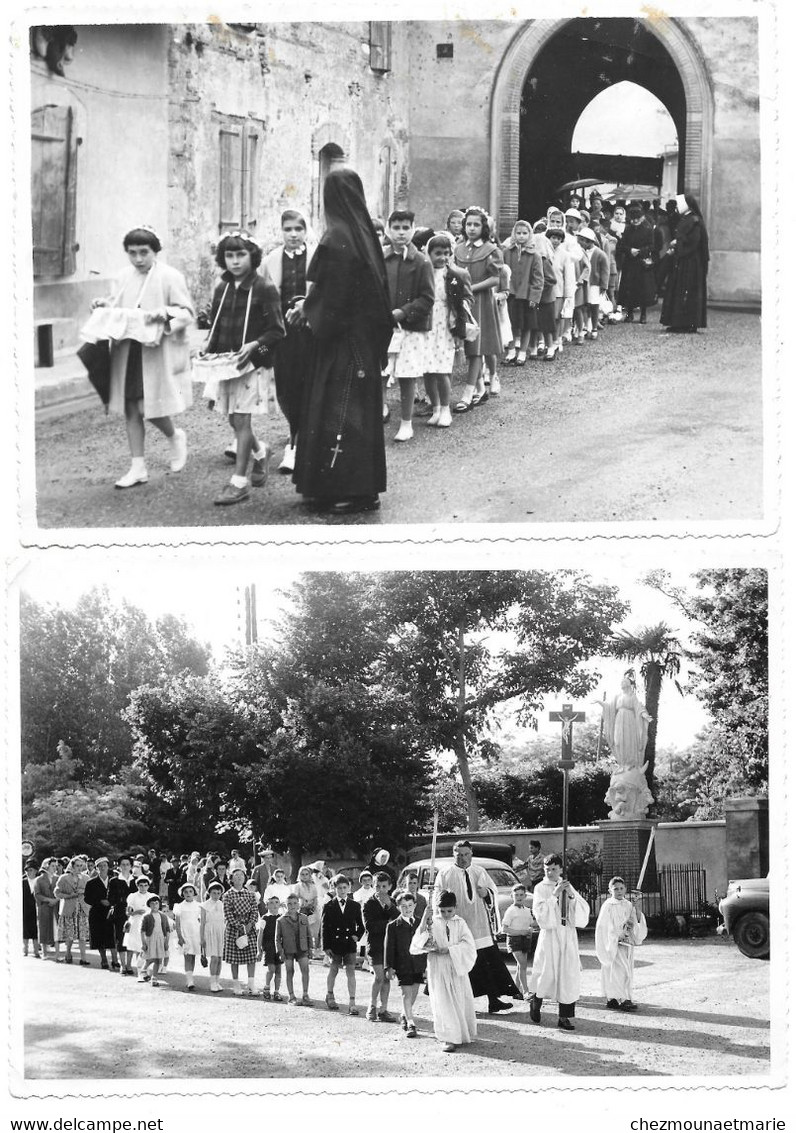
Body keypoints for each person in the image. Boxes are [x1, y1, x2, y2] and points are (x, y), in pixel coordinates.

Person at [291, 166, 393, 516]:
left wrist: (308, 310)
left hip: (342, 344)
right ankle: (330, 487)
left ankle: (355, 491)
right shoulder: (363, 234)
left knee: (341, 414)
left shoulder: (336, 236)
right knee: (351, 414)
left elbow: (334, 298)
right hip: (360, 341)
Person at [88, 225, 193, 489]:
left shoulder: (170, 276)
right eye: (132, 253)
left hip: (155, 350)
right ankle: (138, 467)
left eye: (143, 252)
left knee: (150, 407)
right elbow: (117, 304)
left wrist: (166, 313)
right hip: (127, 349)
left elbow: (186, 312)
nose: (138, 259)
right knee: (130, 408)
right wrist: (103, 305)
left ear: (154, 251)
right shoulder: (124, 276)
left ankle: (175, 435)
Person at [196, 231, 284, 506]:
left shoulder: (264, 288)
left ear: (252, 256)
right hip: (225, 363)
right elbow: (217, 326)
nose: (234, 261)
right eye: (229, 256)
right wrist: (207, 348)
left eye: (240, 255)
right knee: (233, 419)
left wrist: (255, 345)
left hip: (251, 364)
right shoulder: (222, 288)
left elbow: (278, 331)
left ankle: (239, 482)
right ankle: (260, 452)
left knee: (242, 420)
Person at [433, 840, 519, 1012]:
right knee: (462, 963)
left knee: (488, 962)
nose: (463, 858)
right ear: (454, 855)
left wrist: (486, 893)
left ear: (471, 853)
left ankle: (493, 1000)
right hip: (457, 925)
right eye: (459, 855)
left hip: (479, 925)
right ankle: (461, 1003)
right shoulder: (445, 873)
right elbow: (437, 900)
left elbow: (493, 893)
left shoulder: (479, 871)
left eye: (466, 854)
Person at [263, 209, 317, 474]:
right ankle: (294, 433)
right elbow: (262, 295)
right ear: (281, 231)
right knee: (286, 387)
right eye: (288, 229)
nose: (293, 235)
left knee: (307, 386)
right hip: (283, 334)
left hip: (310, 334)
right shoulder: (271, 259)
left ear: (306, 231)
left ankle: (296, 445)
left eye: (298, 229)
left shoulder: (316, 257)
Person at [382, 209, 436, 443]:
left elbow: (427, 298)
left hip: (410, 328)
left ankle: (406, 423)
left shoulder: (422, 261)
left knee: (406, 375)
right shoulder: (382, 258)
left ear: (413, 229)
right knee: (380, 373)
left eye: (405, 228)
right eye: (396, 228)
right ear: (388, 230)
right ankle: (380, 409)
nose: (401, 233)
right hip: (384, 327)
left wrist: (403, 312)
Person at [410, 890, 477, 1052]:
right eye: (442, 911)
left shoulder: (460, 923)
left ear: (456, 908)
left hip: (455, 966)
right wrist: (425, 919)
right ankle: (448, 1037)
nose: (446, 914)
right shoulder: (432, 921)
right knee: (443, 1001)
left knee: (458, 999)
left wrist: (449, 950)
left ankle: (461, 1033)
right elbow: (417, 942)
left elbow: (469, 945)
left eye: (450, 911)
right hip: (438, 967)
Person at [529, 853, 590, 1031]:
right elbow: (539, 912)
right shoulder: (540, 888)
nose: (550, 872)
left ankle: (564, 1016)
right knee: (546, 972)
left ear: (561, 869)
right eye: (547, 869)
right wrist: (554, 895)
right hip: (550, 935)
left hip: (567, 934)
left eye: (554, 869)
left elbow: (582, 911)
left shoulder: (567, 885)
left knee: (568, 974)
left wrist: (570, 895)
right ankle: (536, 1000)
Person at [452, 206, 502, 412]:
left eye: (476, 225)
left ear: (484, 227)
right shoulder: (459, 249)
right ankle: (480, 389)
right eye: (468, 224)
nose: (472, 228)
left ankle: (468, 392)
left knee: (476, 347)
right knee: (468, 346)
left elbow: (495, 278)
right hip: (462, 301)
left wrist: (470, 288)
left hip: (480, 301)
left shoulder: (491, 250)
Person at [421, 232, 473, 427]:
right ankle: (434, 408)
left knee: (442, 370)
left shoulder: (453, 276)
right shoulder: (423, 273)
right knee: (427, 370)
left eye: (446, 253)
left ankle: (445, 409)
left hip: (445, 327)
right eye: (437, 253)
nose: (442, 257)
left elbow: (463, 302)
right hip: (426, 326)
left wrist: (459, 326)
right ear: (429, 253)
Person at [595, 877, 648, 1011]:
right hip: (613, 944)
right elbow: (604, 926)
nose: (619, 891)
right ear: (609, 890)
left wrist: (637, 906)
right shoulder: (608, 905)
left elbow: (635, 919)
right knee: (618, 970)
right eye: (615, 889)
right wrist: (617, 935)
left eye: (621, 888)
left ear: (625, 889)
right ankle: (623, 999)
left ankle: (613, 998)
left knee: (624, 971)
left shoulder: (628, 905)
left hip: (626, 945)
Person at [660, 194, 710, 333]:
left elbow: (693, 242)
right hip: (684, 261)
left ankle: (687, 323)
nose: (677, 206)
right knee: (680, 291)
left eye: (679, 203)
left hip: (691, 263)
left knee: (686, 291)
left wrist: (678, 242)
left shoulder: (694, 220)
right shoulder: (688, 219)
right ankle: (679, 323)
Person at [384, 888, 427, 1038]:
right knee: (406, 993)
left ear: (414, 905)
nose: (407, 909)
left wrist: (426, 965)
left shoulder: (421, 923)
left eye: (409, 905)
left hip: (417, 964)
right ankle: (410, 1022)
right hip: (402, 965)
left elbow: (425, 944)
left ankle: (403, 1014)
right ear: (398, 908)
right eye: (403, 906)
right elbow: (389, 948)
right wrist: (389, 967)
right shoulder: (393, 926)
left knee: (414, 993)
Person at [320, 873, 365, 1014]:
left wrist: (357, 936)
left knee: (350, 971)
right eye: (339, 888)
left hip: (349, 945)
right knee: (334, 969)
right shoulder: (329, 906)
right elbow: (324, 927)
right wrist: (325, 946)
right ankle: (330, 994)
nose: (342, 890)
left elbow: (361, 926)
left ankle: (352, 1002)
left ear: (349, 888)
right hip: (335, 943)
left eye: (345, 887)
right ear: (334, 888)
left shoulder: (355, 905)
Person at [503, 219, 543, 366]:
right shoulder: (507, 252)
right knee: (512, 323)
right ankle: (512, 350)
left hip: (527, 295)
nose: (521, 236)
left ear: (530, 234)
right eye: (518, 233)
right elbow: (502, 272)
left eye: (524, 233)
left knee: (526, 325)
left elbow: (538, 278)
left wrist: (534, 296)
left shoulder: (535, 255)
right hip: (511, 293)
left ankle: (523, 352)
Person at [363, 871, 399, 1022]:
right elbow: (370, 926)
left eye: (384, 886)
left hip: (389, 946)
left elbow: (399, 920)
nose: (380, 890)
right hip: (376, 945)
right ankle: (371, 1006)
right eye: (377, 886)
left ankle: (383, 1009)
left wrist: (390, 906)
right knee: (378, 977)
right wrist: (388, 924)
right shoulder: (369, 903)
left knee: (386, 978)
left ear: (390, 887)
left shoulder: (392, 902)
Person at [597, 672, 653, 769]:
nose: (622, 685)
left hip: (629, 719)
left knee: (628, 741)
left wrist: (645, 715)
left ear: (628, 685)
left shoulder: (632, 696)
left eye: (624, 683)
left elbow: (639, 707)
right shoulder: (618, 696)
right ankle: (622, 763)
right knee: (618, 741)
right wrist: (600, 703)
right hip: (619, 719)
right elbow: (609, 706)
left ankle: (630, 764)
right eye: (621, 684)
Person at [222, 866, 260, 996]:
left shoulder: (250, 894)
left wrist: (249, 924)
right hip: (234, 929)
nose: (239, 877)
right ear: (231, 879)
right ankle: (236, 984)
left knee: (251, 957)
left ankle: (251, 984)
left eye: (241, 875)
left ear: (245, 878)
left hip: (249, 928)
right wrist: (239, 926)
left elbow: (255, 911)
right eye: (236, 875)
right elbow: (228, 914)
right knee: (234, 958)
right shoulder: (227, 895)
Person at [616, 206, 656, 322]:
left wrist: (640, 251)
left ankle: (643, 314)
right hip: (630, 262)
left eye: (637, 218)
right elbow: (622, 245)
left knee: (643, 288)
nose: (635, 221)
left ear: (642, 218)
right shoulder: (628, 229)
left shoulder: (648, 229)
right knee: (629, 288)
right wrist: (629, 250)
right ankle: (629, 313)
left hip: (641, 262)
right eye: (633, 219)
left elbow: (652, 245)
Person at [501, 883, 537, 999]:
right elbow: (504, 929)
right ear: (512, 896)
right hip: (514, 940)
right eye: (516, 895)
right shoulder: (510, 911)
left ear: (525, 896)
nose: (519, 897)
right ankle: (526, 991)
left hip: (525, 939)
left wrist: (532, 928)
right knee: (523, 965)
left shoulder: (527, 910)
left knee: (520, 966)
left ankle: (516, 991)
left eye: (521, 895)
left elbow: (532, 924)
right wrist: (521, 932)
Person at [276, 892, 312, 1006]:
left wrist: (310, 948)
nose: (292, 906)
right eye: (289, 903)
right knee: (289, 971)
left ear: (298, 905)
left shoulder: (304, 918)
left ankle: (305, 995)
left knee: (305, 970)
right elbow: (277, 938)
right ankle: (291, 996)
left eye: (295, 903)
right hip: (288, 949)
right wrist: (280, 952)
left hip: (302, 948)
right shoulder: (281, 920)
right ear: (285, 905)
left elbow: (308, 934)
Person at [84, 857, 118, 970]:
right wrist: (99, 901)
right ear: (96, 868)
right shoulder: (91, 882)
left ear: (108, 867)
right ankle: (103, 959)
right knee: (99, 937)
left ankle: (115, 959)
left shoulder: (114, 881)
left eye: (105, 865)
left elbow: (119, 896)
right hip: (97, 912)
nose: (103, 868)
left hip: (111, 912)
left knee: (112, 936)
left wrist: (111, 902)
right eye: (100, 866)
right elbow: (87, 898)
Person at [54, 858, 89, 966]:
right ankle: (68, 953)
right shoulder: (64, 878)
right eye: (77, 865)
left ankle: (83, 958)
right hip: (69, 909)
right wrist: (69, 896)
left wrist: (82, 891)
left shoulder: (86, 878)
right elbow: (57, 893)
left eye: (81, 865)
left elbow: (91, 892)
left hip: (82, 910)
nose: (79, 868)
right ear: (72, 866)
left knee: (82, 935)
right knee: (69, 934)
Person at [577, 227, 609, 340]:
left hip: (595, 283)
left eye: (583, 240)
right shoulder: (580, 251)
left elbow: (605, 270)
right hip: (584, 283)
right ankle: (587, 326)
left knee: (594, 305)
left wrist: (604, 285)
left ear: (590, 241)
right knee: (585, 305)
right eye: (580, 240)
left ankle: (594, 327)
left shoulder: (600, 254)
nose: (581, 243)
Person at [108, 855, 136, 975]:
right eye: (123, 864)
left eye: (127, 864)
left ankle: (129, 964)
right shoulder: (113, 881)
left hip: (134, 914)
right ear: (119, 866)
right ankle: (123, 965)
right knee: (120, 938)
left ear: (131, 866)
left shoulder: (136, 880)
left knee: (131, 938)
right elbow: (110, 898)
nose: (125, 867)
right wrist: (120, 901)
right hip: (120, 913)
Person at [124, 875, 154, 980]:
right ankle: (134, 970)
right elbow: (128, 912)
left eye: (145, 885)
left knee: (146, 947)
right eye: (141, 886)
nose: (143, 888)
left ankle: (145, 971)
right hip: (136, 922)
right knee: (135, 946)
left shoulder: (152, 896)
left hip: (148, 922)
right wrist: (135, 912)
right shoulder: (133, 896)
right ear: (137, 886)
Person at [174, 882, 202, 992]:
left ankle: (190, 978)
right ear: (182, 894)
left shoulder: (198, 905)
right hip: (185, 932)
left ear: (194, 893)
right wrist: (180, 936)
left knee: (193, 955)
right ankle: (189, 980)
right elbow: (177, 923)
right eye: (185, 892)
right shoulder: (179, 906)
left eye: (190, 891)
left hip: (195, 932)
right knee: (187, 956)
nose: (188, 894)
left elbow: (201, 920)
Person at [200, 879, 226, 992]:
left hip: (220, 931)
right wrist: (202, 938)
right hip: (209, 932)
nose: (216, 895)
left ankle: (217, 981)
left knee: (220, 958)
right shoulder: (204, 905)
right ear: (209, 893)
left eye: (218, 893)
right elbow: (202, 923)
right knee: (214, 958)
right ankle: (212, 982)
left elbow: (225, 921)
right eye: (214, 893)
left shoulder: (222, 905)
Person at [258, 894, 284, 1001]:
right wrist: (258, 950)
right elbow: (260, 935)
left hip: (279, 947)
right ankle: (267, 987)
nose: (274, 905)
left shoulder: (282, 918)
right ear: (267, 905)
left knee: (278, 970)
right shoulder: (265, 918)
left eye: (276, 902)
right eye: (271, 903)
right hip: (268, 946)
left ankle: (277, 991)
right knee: (271, 969)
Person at [140, 894, 170, 987]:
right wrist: (143, 943)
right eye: (152, 903)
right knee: (151, 957)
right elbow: (142, 931)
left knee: (158, 959)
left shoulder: (163, 916)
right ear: (149, 905)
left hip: (160, 938)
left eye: (156, 903)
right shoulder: (147, 916)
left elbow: (167, 930)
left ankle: (154, 978)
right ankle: (143, 969)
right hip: (150, 938)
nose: (155, 905)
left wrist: (166, 942)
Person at [291, 865, 321, 956]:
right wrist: (304, 901)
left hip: (313, 909)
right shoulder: (297, 886)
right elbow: (295, 897)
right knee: (303, 931)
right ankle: (304, 951)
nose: (304, 876)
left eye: (306, 874)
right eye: (302, 874)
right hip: (302, 909)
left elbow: (316, 896)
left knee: (315, 930)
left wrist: (313, 905)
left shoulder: (313, 885)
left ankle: (315, 949)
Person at [34, 858, 60, 961]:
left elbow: (61, 891)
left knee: (56, 930)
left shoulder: (58, 879)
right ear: (46, 866)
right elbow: (37, 894)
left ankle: (57, 954)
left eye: (55, 866)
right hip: (44, 908)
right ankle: (44, 953)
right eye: (52, 865)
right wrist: (48, 900)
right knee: (44, 928)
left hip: (56, 908)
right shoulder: (39, 880)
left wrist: (56, 900)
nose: (55, 868)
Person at [23, 861, 41, 957]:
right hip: (25, 909)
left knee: (35, 929)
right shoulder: (22, 882)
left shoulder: (39, 881)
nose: (28, 872)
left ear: (35, 871)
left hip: (37, 908)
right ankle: (25, 950)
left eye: (31, 870)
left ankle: (36, 951)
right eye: (27, 870)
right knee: (25, 929)